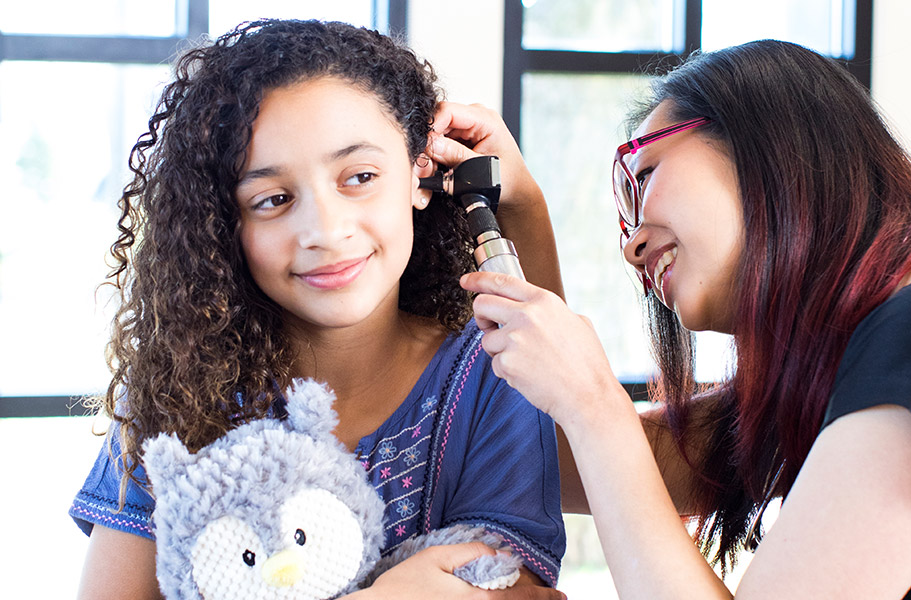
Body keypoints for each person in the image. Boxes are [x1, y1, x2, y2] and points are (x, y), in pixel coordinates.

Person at [69, 19, 566, 599]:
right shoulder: (174, 388)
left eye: (359, 177)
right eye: (274, 200)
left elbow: (517, 590)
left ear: (419, 175)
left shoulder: (495, 373)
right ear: (222, 224)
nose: (325, 231)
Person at [428, 40, 911, 598]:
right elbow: (556, 455)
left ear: (766, 141)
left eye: (644, 176)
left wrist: (595, 401)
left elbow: (597, 434)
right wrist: (521, 207)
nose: (633, 247)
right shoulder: (837, 367)